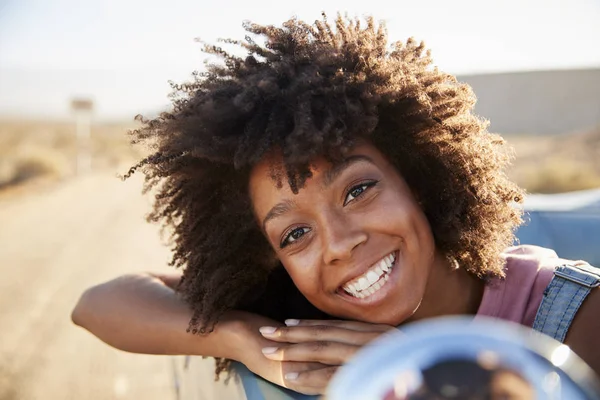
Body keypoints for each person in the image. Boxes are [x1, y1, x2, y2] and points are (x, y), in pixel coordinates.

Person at [71, 14, 600, 396]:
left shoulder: (573, 318)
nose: (340, 244)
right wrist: (249, 340)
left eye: (357, 191)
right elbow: (98, 304)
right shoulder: (304, 323)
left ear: (417, 178)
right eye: (294, 235)